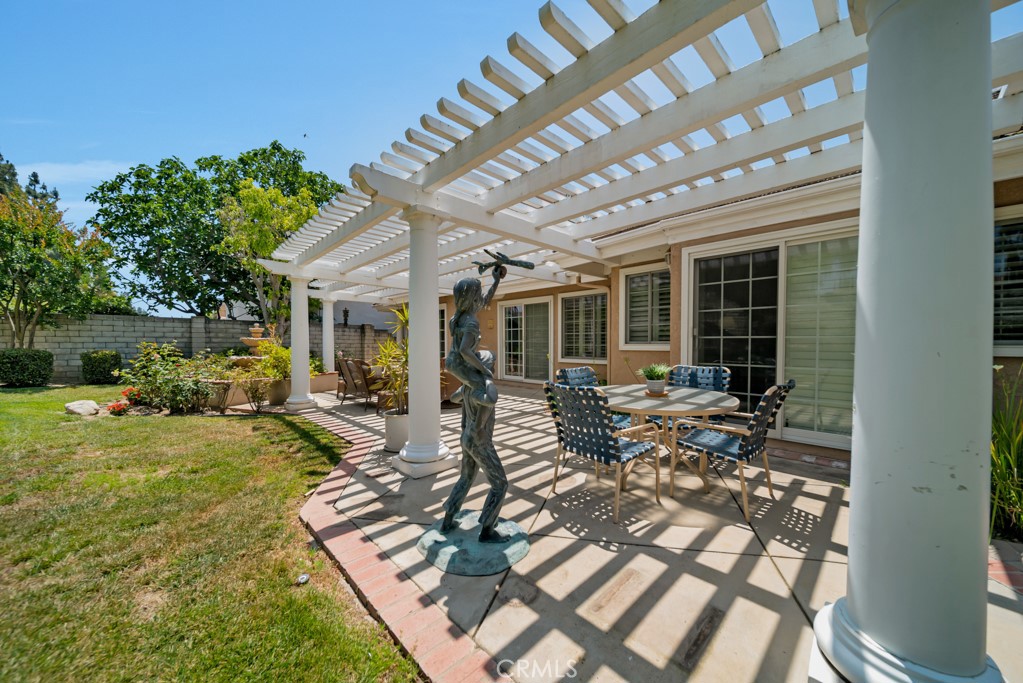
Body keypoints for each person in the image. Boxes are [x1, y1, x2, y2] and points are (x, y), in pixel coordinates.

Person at [441, 266, 511, 543]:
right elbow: (489, 397)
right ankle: (487, 530)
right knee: (500, 484)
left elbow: (454, 398)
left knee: (466, 477)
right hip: (478, 441)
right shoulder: (481, 387)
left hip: (465, 438)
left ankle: (448, 518)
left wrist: (495, 281)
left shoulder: (467, 388)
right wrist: (487, 377)